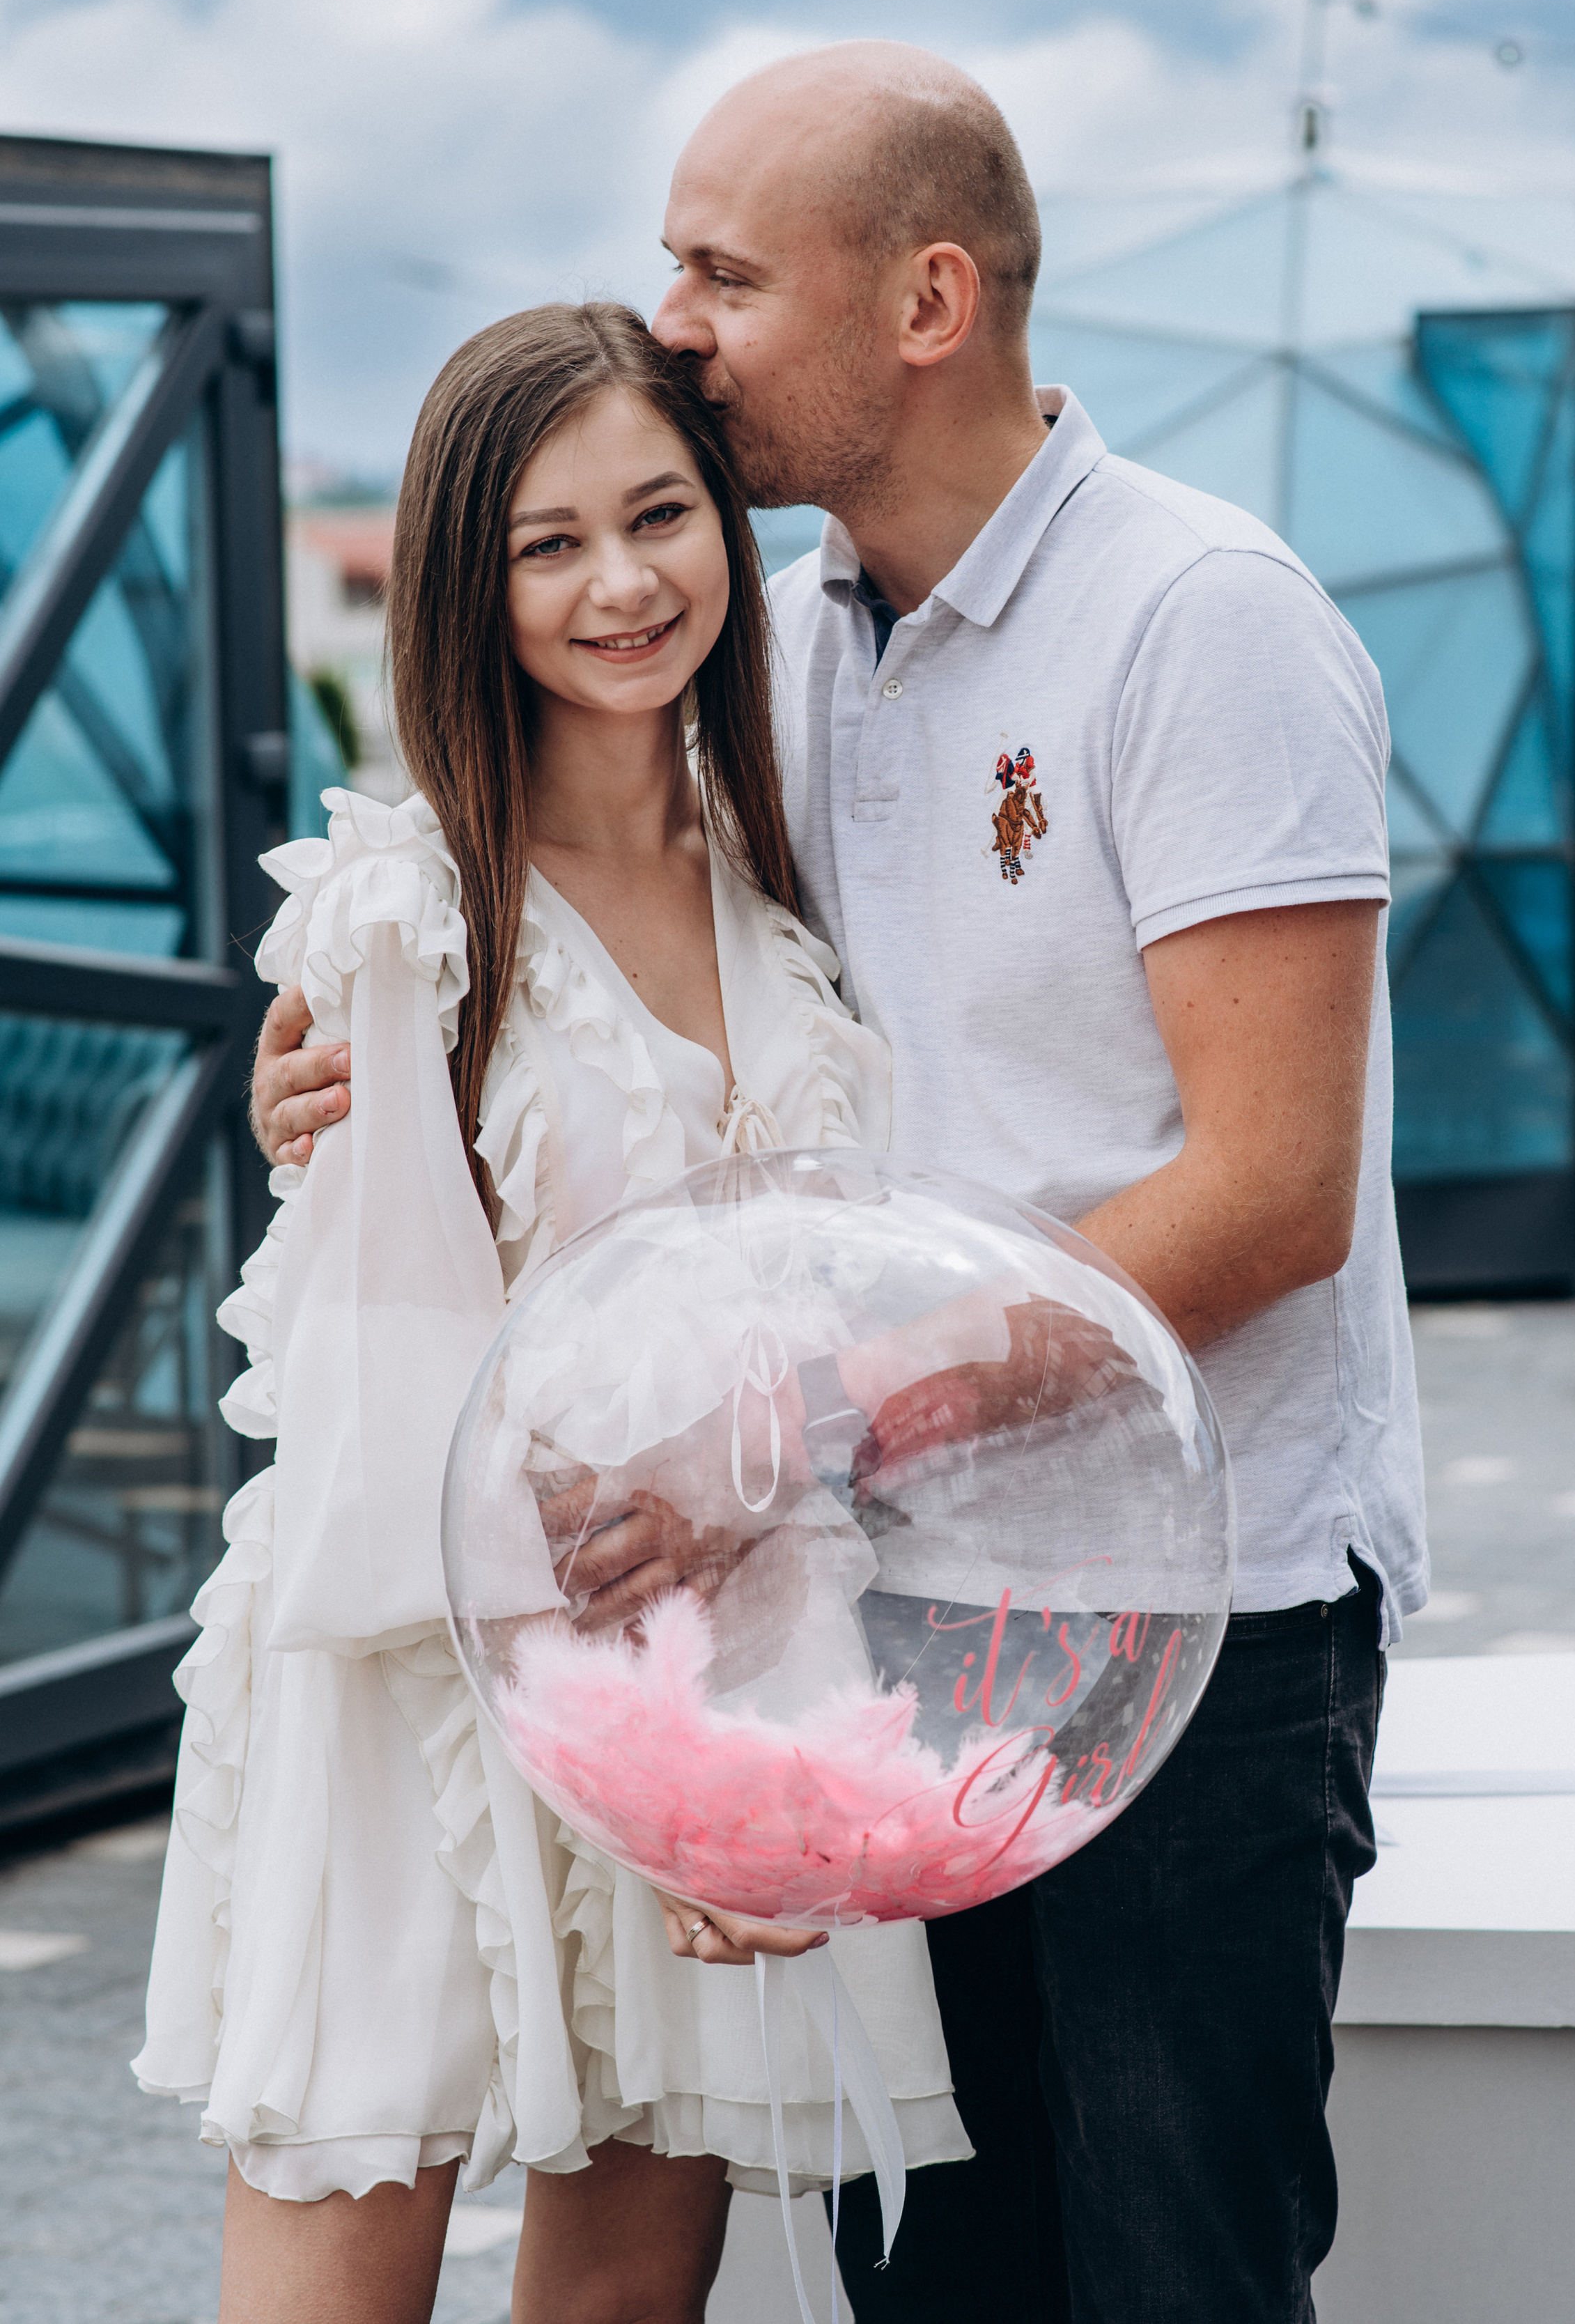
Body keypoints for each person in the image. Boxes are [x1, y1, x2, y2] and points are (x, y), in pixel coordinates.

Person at [253, 42, 1429, 2324]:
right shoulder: (785, 656)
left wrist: (782, 1441)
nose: (673, 323)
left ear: (928, 300)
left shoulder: (1202, 619)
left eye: (723, 274)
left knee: (1178, 2280)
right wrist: (333, 1044)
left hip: (1194, 1629)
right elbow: (567, 948)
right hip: (888, 1625)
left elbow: (1276, 1195)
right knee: (946, 2284)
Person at [136, 301, 970, 2324]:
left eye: (661, 515)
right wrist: (633, 1769)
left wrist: (718, 1753)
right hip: (429, 1661)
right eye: (547, 542)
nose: (620, 584)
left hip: (719, 1641)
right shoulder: (404, 919)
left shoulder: (786, 885)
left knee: (626, 2294)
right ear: (463, 579)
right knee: (345, 2259)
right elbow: (389, 1409)